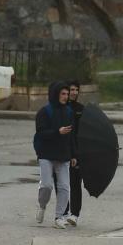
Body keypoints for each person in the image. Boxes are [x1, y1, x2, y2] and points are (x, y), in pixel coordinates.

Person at [34, 82, 76, 229]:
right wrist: (57, 132)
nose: (66, 97)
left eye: (67, 94)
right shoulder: (44, 112)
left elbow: (72, 136)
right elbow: (40, 133)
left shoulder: (69, 112)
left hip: (63, 154)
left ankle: (59, 217)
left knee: (64, 187)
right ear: (55, 94)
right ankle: (42, 205)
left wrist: (73, 154)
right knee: (46, 185)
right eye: (62, 94)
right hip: (46, 154)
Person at [64, 79, 84, 226]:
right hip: (63, 152)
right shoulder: (61, 108)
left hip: (77, 152)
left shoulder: (81, 109)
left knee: (75, 183)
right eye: (72, 90)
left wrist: (77, 153)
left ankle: (75, 214)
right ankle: (63, 213)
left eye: (76, 90)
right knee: (62, 184)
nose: (74, 92)